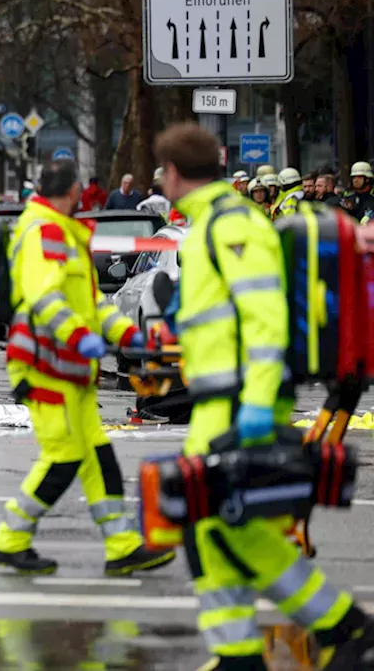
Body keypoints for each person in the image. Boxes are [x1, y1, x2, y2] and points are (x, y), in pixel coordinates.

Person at [155, 122, 374, 670]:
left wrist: (254, 403)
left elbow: (264, 314)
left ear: (175, 174)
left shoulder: (229, 225)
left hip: (238, 399)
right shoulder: (213, 224)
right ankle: (240, 654)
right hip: (220, 397)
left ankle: (343, 626)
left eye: (164, 172)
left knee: (217, 524)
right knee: (216, 525)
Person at [0, 157, 174, 577]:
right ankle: (10, 540)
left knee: (97, 456)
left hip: (68, 368)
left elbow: (93, 305)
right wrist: (80, 338)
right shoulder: (46, 232)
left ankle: (122, 547)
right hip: (44, 366)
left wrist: (128, 336)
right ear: (74, 192)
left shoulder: (67, 234)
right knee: (64, 457)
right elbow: (45, 300)